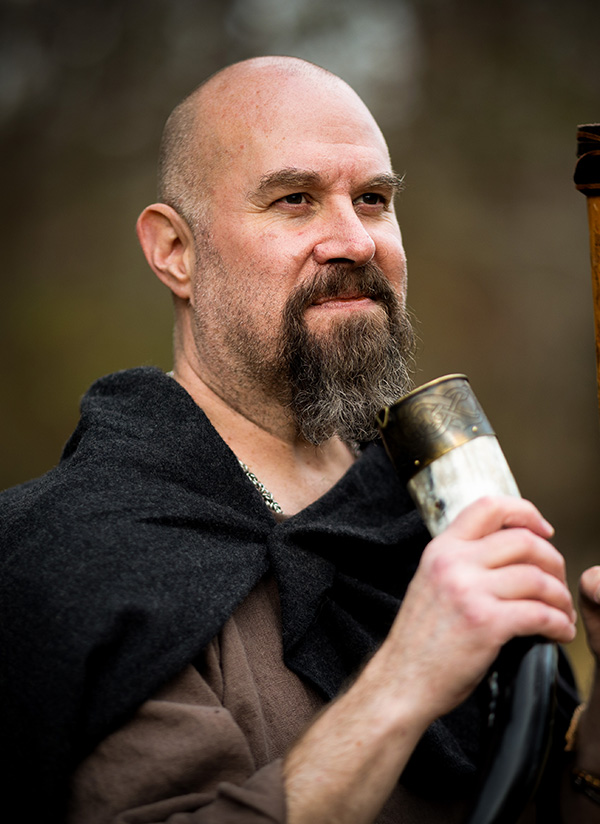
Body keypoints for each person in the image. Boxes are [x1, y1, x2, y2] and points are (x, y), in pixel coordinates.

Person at [1, 56, 599, 824]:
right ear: (175, 251)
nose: (354, 241)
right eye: (295, 200)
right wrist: (404, 680)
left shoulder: (427, 509)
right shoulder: (75, 552)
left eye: (373, 200)